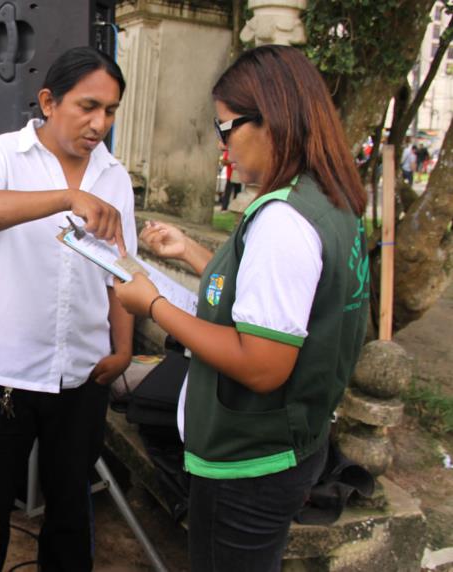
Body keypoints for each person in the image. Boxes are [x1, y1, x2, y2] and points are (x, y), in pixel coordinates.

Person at [113, 45, 369, 571]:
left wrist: (153, 304)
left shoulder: (283, 221)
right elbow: (268, 295)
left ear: (271, 120)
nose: (221, 143)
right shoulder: (329, 200)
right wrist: (190, 250)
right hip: (294, 443)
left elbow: (261, 363)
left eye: (226, 127)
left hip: (250, 461)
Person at [0, 46, 137, 571]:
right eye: (88, 106)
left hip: (83, 373)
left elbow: (121, 270)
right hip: (4, 374)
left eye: (110, 111)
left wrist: (123, 349)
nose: (99, 124)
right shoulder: (3, 154)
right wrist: (64, 197)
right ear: (50, 102)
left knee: (71, 509)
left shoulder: (114, 175)